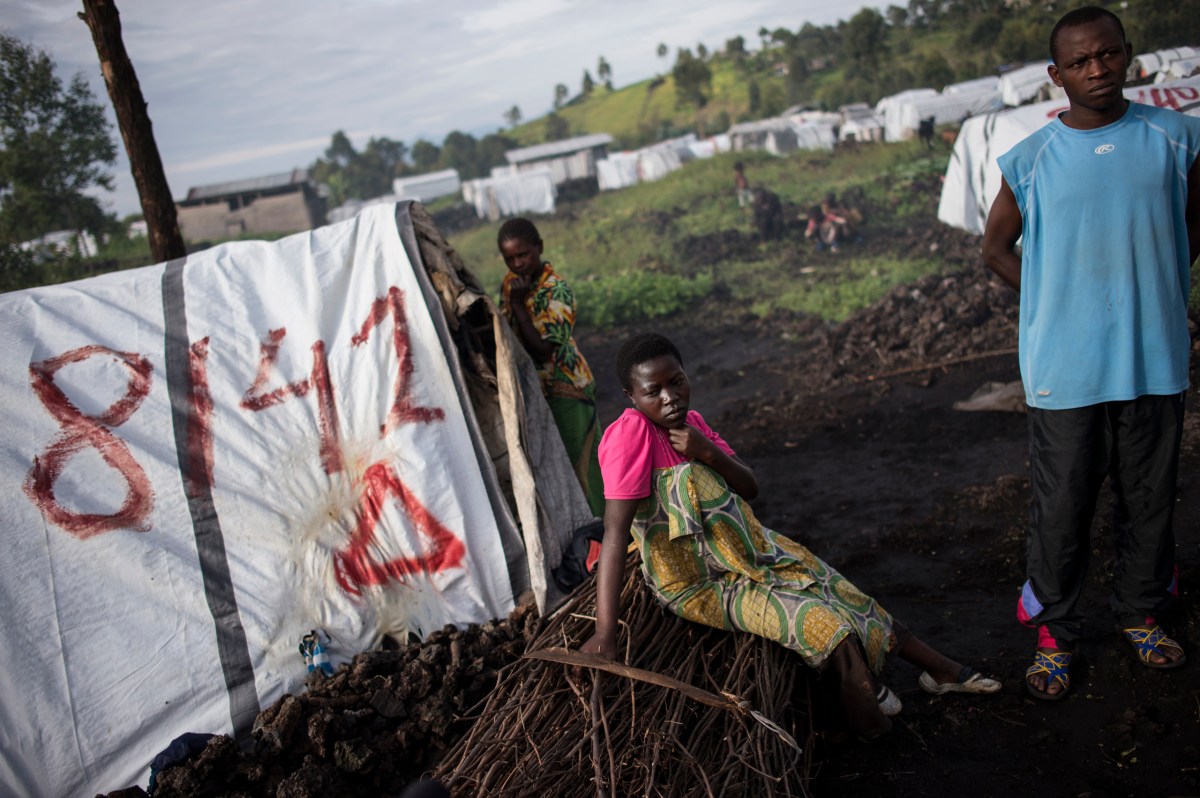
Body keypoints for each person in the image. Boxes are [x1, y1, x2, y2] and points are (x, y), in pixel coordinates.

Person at [580, 333, 1000, 737]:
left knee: (845, 594)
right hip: (705, 583)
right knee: (823, 626)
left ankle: (939, 670)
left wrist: (706, 452)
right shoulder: (630, 435)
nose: (670, 397)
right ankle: (867, 722)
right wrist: (605, 633)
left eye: (677, 381)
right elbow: (615, 534)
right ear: (631, 397)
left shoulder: (693, 424)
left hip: (755, 551)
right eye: (654, 391)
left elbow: (750, 486)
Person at [981, 6, 1198, 701]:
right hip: (1065, 369)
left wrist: (1162, 277)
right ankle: (1056, 632)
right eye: (1080, 61)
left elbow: (1193, 224)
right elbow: (994, 248)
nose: (1097, 69)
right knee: (1063, 506)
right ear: (1057, 75)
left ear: (1129, 55)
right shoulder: (1032, 157)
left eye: (1108, 55)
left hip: (1155, 355)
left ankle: (1141, 615)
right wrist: (1054, 296)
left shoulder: (1175, 136)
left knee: (1149, 498)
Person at [498, 218, 605, 518]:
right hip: (535, 391)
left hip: (567, 388)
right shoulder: (511, 284)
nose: (518, 263)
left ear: (539, 248)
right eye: (510, 258)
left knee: (584, 466)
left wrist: (519, 305)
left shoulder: (555, 290)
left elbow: (544, 350)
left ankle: (610, 534)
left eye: (524, 255)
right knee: (555, 469)